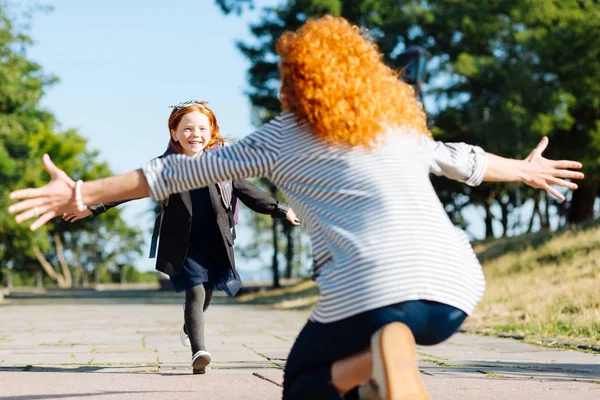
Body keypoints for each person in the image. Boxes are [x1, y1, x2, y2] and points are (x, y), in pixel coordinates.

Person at [9, 16, 584, 400]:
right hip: (456, 292)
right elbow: (467, 160)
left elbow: (169, 172)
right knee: (379, 351)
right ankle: (385, 365)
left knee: (305, 383)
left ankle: (384, 354)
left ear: (296, 80)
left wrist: (82, 194)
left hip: (371, 294)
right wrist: (528, 169)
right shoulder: (393, 130)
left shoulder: (280, 137)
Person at [61, 100, 301, 375]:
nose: (194, 134)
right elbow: (125, 191)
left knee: (207, 292)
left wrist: (282, 209)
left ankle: (190, 326)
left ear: (211, 132)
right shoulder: (163, 168)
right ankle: (199, 352)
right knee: (195, 290)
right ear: (174, 133)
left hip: (215, 240)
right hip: (182, 243)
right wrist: (91, 207)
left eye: (201, 128)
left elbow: (249, 193)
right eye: (187, 129)